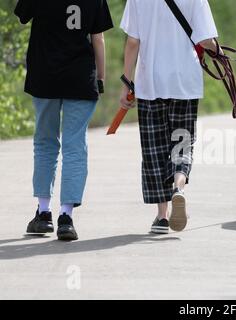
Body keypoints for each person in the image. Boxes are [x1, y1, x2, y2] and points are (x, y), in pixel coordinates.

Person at [15, 0, 114, 241]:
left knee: (45, 142)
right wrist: (100, 78)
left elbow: (22, 16)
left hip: (44, 75)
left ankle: (43, 212)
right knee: (74, 146)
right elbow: (97, 38)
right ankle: (66, 217)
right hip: (80, 78)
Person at [120, 0, 219, 234]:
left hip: (149, 82)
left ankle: (162, 216)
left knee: (154, 148)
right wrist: (220, 52)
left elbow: (133, 42)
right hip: (184, 83)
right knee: (181, 143)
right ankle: (179, 188)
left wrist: (126, 82)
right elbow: (205, 40)